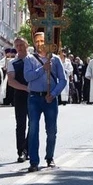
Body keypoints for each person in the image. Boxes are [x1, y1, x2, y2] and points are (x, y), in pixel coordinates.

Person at [23, 33, 67, 171]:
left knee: (51, 130)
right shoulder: (30, 59)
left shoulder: (55, 59)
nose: (40, 43)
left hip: (50, 98)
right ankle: (34, 162)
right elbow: (28, 77)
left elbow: (63, 80)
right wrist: (43, 69)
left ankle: (49, 157)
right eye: (37, 41)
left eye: (42, 40)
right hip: (34, 98)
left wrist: (53, 94)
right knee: (34, 129)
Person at [5, 38, 31, 162]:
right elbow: (11, 81)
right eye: (17, 45)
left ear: (26, 45)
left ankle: (28, 148)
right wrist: (26, 88)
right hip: (20, 95)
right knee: (20, 124)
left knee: (33, 124)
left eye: (22, 45)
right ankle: (21, 151)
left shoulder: (33, 60)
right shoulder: (13, 62)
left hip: (33, 96)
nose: (19, 47)